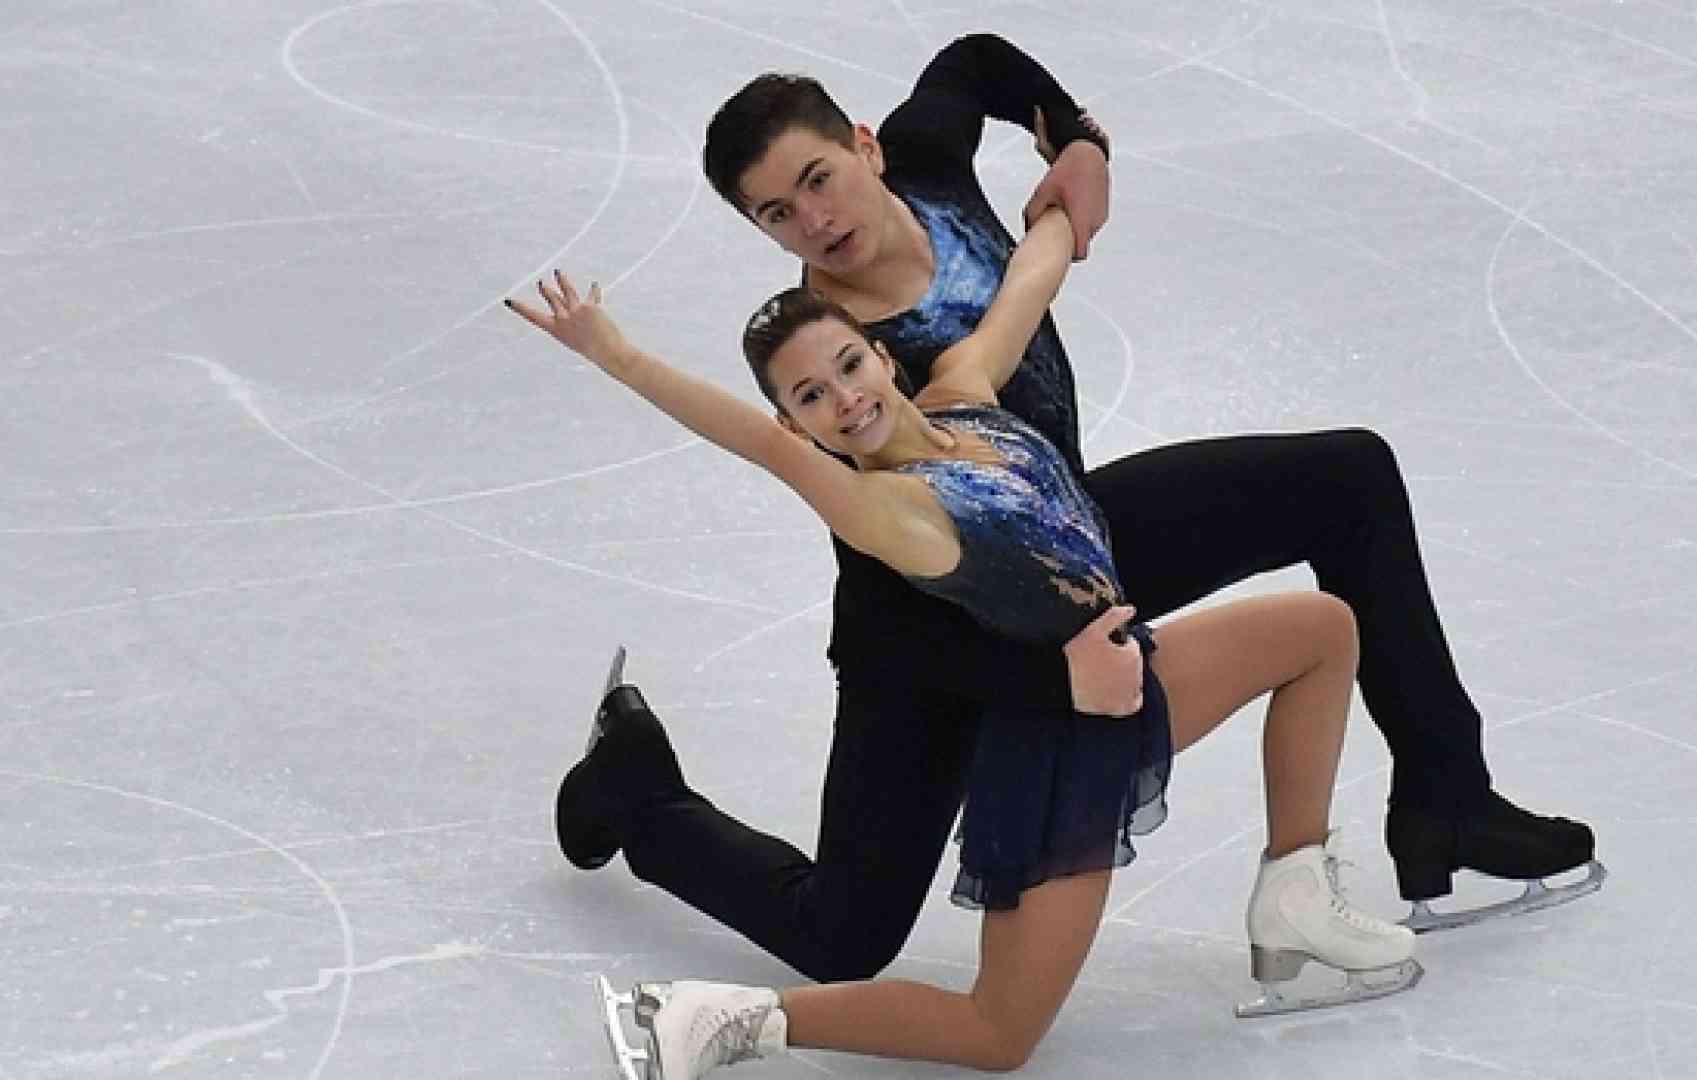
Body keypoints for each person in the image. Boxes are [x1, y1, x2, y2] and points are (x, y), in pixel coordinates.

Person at [555, 33, 1600, 985]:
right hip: (935, 624)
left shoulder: (927, 166)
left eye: (817, 180)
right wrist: (1052, 678)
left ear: (867, 147)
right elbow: (888, 588)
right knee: (844, 937)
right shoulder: (850, 375)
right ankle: (638, 794)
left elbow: (973, 63)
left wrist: (1079, 141)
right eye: (776, 214)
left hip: (1069, 535)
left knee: (1348, 479)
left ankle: (1446, 798)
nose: (814, 221)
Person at [505, 205, 1420, 1078]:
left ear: (882, 357)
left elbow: (1027, 287)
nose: (844, 400)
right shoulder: (888, 509)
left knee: (1321, 630)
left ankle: (1294, 891)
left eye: (848, 366)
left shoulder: (965, 398)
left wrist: (1068, 172)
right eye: (812, 397)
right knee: (998, 1031)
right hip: (1060, 751)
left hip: (1125, 676)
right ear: (797, 423)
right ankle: (722, 1019)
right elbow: (755, 443)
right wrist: (616, 354)